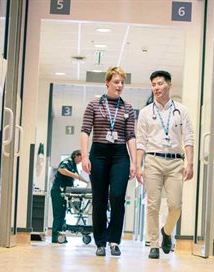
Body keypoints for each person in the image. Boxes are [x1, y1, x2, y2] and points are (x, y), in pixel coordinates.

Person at [136, 70, 194, 259]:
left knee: (175, 205)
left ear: (169, 85)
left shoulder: (181, 110)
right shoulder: (145, 112)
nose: (156, 88)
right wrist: (138, 165)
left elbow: (189, 138)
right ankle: (153, 244)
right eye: (153, 84)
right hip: (152, 160)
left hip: (176, 162)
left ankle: (166, 233)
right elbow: (141, 141)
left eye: (160, 84)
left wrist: (190, 163)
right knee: (152, 205)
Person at [80, 66, 136, 257]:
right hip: (99, 154)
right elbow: (85, 131)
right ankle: (100, 242)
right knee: (100, 199)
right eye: (116, 82)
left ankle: (114, 241)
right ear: (107, 83)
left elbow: (131, 136)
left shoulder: (127, 107)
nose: (120, 85)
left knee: (118, 197)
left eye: (122, 82)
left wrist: (135, 163)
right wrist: (85, 156)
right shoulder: (94, 105)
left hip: (120, 155)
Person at [51, 150, 88, 243]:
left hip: (64, 191)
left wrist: (87, 182)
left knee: (62, 214)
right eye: (81, 158)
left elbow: (78, 176)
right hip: (58, 191)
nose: (81, 161)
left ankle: (60, 235)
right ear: (76, 155)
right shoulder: (67, 161)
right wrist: (74, 176)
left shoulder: (74, 165)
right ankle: (55, 237)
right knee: (58, 214)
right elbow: (61, 170)